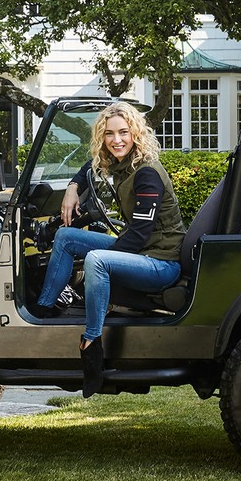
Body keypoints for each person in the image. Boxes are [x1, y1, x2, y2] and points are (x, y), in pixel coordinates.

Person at [30, 102, 185, 398]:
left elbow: (138, 236)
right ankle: (43, 310)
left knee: (96, 260)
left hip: (160, 263)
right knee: (65, 236)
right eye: (109, 134)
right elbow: (89, 167)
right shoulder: (122, 163)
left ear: (136, 133)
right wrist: (72, 189)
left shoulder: (146, 173)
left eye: (124, 132)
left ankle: (92, 343)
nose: (117, 140)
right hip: (142, 252)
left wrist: (102, 261)